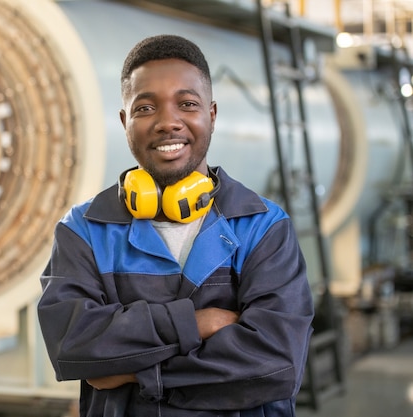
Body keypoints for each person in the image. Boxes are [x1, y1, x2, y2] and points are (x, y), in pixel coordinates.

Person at [37, 34, 314, 417]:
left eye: (187, 104)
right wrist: (198, 323)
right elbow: (72, 345)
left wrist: (134, 374)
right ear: (125, 121)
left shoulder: (261, 227)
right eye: (145, 107)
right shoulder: (84, 230)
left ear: (211, 115)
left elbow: (276, 364)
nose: (168, 122)